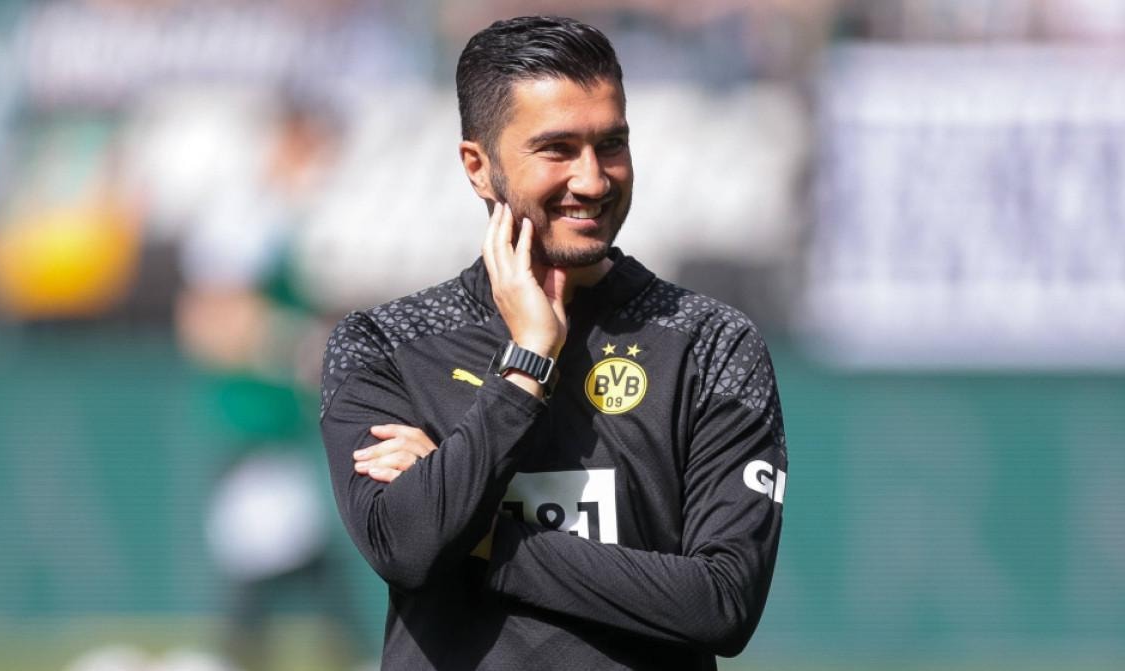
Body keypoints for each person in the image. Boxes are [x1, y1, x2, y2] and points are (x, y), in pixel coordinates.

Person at [320, 15, 787, 670]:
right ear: (479, 167)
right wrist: (527, 366)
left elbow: (721, 602)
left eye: (611, 144)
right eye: (558, 149)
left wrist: (482, 533)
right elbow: (406, 547)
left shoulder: (712, 346)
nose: (593, 179)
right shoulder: (385, 345)